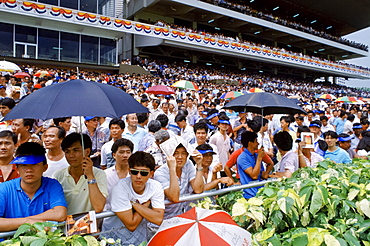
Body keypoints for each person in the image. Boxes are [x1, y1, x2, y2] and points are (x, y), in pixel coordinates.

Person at [0, 142, 67, 231]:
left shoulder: (52, 185)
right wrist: (27, 222)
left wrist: (29, 220)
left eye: (35, 165)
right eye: (24, 165)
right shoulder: (4, 189)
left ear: (45, 167)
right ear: (17, 168)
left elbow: (60, 213)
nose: (29, 170)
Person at [102, 151, 164, 245]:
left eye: (143, 173)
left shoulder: (156, 186)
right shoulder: (120, 188)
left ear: (151, 174)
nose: (138, 176)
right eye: (134, 172)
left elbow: (158, 219)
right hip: (113, 239)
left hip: (140, 239)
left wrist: (135, 204)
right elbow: (131, 224)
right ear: (129, 171)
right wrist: (145, 205)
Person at [53, 133, 108, 215]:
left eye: (76, 150)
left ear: (87, 151)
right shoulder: (58, 175)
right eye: (67, 151)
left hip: (88, 225)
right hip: (64, 225)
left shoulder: (99, 174)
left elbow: (98, 207)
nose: (71, 155)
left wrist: (90, 176)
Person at [154, 136, 204, 219]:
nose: (180, 157)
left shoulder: (188, 164)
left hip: (184, 216)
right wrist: (172, 169)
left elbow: (198, 189)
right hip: (165, 219)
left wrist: (199, 164)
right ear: (169, 155)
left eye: (183, 153)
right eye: (176, 153)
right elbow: (174, 197)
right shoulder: (160, 173)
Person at [237, 131, 273, 198]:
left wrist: (266, 173)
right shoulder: (242, 158)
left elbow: (268, 165)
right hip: (250, 195)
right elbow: (254, 176)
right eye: (256, 141)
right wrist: (259, 158)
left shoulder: (256, 155)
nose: (258, 143)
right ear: (250, 143)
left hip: (261, 192)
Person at [104, 138, 134, 211]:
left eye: (128, 152)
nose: (125, 155)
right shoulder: (105, 175)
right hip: (110, 217)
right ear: (114, 155)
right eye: (121, 152)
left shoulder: (137, 174)